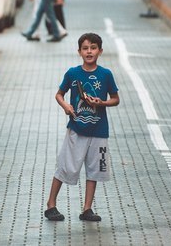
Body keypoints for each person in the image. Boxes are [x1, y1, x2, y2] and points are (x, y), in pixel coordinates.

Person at [44, 33, 120, 221]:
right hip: (76, 130)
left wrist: (101, 102)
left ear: (100, 51)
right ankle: (51, 204)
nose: (89, 51)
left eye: (93, 48)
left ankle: (87, 209)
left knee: (95, 169)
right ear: (79, 52)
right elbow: (59, 94)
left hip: (100, 131)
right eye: (85, 48)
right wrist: (66, 106)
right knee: (66, 165)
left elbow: (115, 99)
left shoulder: (106, 74)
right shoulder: (72, 73)